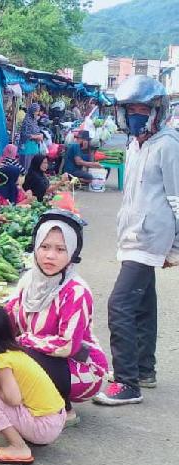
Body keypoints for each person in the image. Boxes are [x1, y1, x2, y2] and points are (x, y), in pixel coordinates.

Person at [94, 76, 179, 405]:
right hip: (132, 234)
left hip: (151, 238)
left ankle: (128, 384)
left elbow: (177, 198)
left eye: (143, 109)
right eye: (130, 109)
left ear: (158, 111)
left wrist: (175, 248)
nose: (136, 115)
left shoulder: (169, 144)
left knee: (120, 305)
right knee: (143, 304)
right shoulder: (134, 144)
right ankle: (144, 369)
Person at [4, 211, 108, 424]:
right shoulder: (30, 280)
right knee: (4, 353)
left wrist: (20, 342)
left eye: (61, 249)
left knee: (17, 356)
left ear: (73, 253)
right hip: (43, 355)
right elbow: (9, 318)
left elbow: (67, 346)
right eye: (44, 247)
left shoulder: (75, 291)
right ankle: (37, 399)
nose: (50, 256)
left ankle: (62, 408)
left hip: (81, 368)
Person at [0, 304, 66, 465]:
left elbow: (13, 400)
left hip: (43, 428)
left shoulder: (1, 362)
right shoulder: (15, 353)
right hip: (56, 418)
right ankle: (25, 436)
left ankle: (19, 447)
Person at [18, 103, 44, 169]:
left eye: (38, 111)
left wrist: (40, 135)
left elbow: (36, 131)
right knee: (26, 167)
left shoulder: (34, 121)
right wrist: (37, 137)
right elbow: (24, 135)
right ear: (32, 111)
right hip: (27, 147)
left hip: (34, 147)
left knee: (34, 167)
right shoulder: (27, 121)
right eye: (36, 111)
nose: (37, 113)